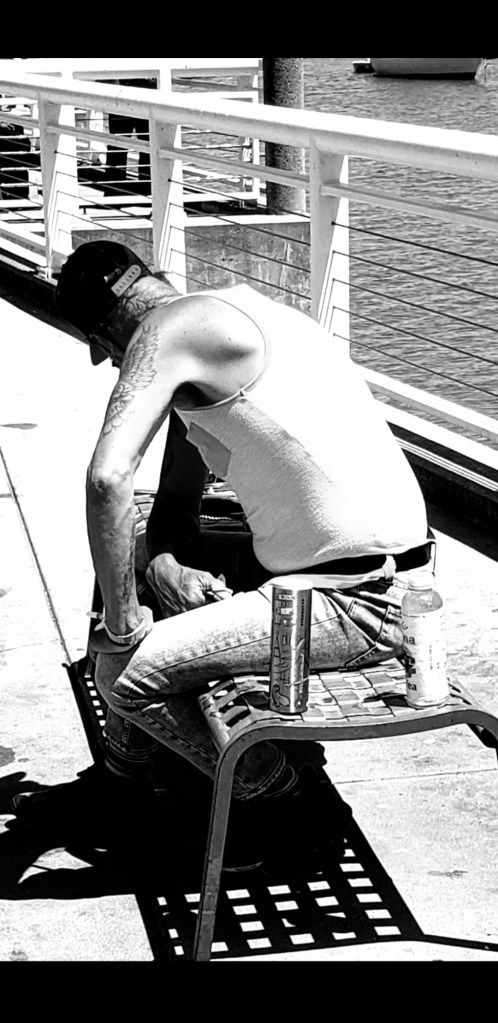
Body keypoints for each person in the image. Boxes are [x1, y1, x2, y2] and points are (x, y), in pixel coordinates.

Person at [11, 240, 434, 872]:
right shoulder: (228, 319)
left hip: (360, 600)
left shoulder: (164, 332)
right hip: (353, 583)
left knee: (121, 671)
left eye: (100, 345)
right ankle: (121, 788)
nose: (107, 361)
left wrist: (123, 628)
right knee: (135, 587)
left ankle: (295, 811)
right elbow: (174, 503)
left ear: (108, 329)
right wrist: (164, 565)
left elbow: (108, 480)